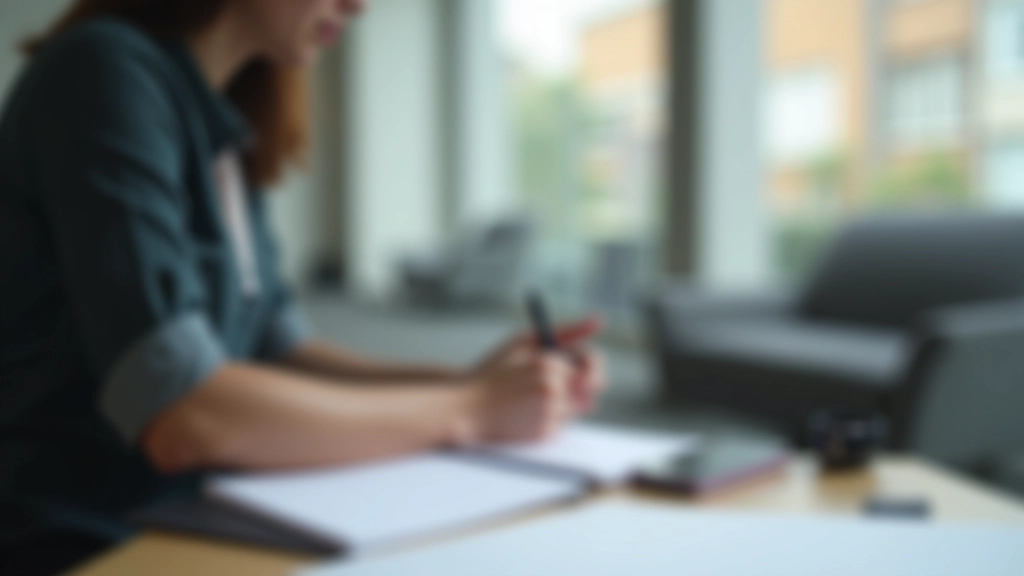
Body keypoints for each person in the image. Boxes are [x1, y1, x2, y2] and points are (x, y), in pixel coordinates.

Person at [0, 1, 606, 573]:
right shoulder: (102, 73)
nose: (360, 4)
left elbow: (278, 352)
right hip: (80, 545)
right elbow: (187, 417)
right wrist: (472, 410)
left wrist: (482, 384)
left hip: (196, 523)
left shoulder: (223, 120)